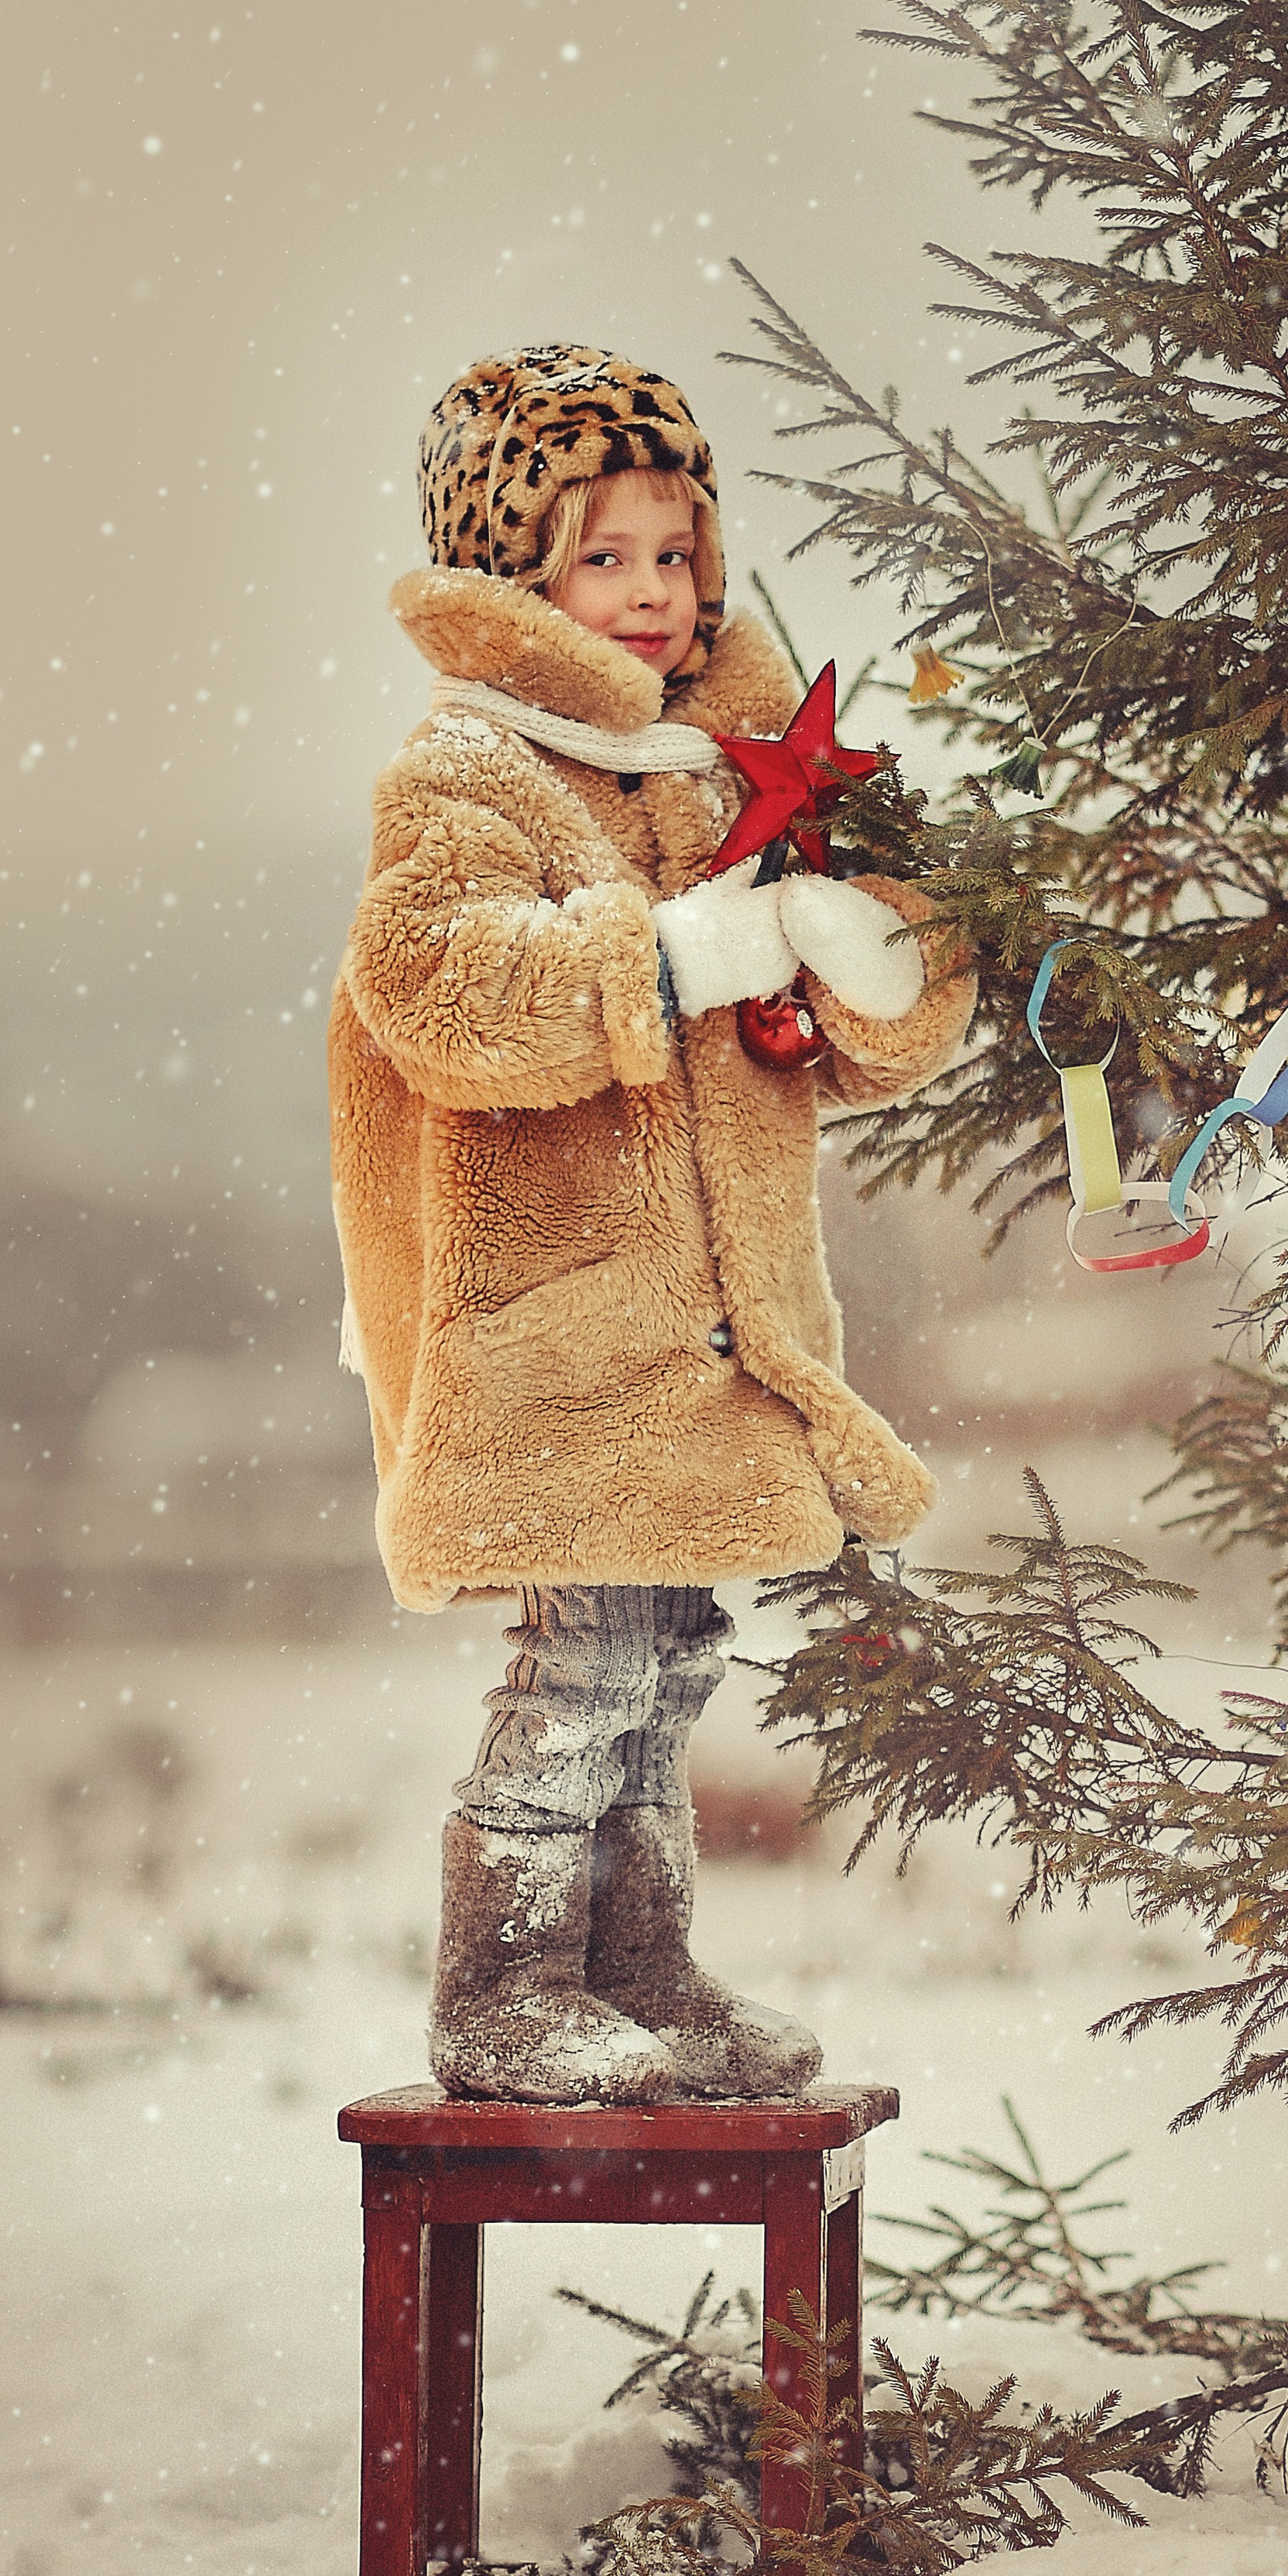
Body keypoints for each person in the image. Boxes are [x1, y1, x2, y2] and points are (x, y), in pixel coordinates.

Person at [329, 345, 975, 2106]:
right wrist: (675, 952)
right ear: (517, 576)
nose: (653, 592)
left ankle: (641, 1969)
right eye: (603, 555)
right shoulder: (475, 771)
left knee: (671, 1645)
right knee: (590, 1647)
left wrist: (864, 958)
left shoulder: (728, 769)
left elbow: (830, 1053)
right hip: (558, 1316)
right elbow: (434, 990)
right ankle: (500, 1981)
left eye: (675, 553)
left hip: (710, 1328)